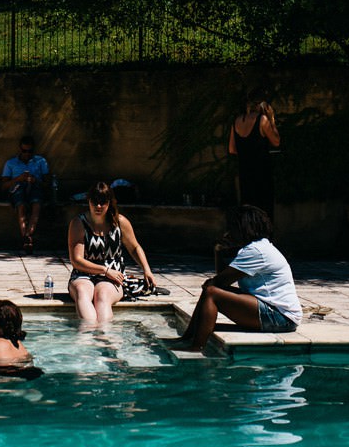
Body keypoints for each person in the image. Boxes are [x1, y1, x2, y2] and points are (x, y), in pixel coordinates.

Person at [175, 205, 301, 352]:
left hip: (280, 317)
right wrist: (219, 251)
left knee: (211, 293)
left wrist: (210, 284)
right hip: (277, 314)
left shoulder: (255, 251)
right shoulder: (258, 247)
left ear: (244, 228)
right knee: (211, 292)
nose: (229, 232)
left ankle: (196, 347)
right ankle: (187, 339)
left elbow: (219, 282)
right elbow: (222, 281)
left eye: (233, 227)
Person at [66, 181, 157, 324]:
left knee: (102, 296)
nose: (98, 206)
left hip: (113, 276)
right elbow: (76, 260)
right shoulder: (79, 223)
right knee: (83, 293)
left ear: (110, 203)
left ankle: (105, 337)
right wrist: (104, 270)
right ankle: (87, 336)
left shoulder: (119, 222)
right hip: (83, 273)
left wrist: (147, 269)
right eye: (94, 202)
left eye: (103, 202)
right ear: (88, 201)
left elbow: (134, 248)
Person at [229, 88, 282, 216]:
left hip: (245, 174)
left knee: (248, 211)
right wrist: (272, 120)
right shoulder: (263, 120)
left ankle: (249, 235)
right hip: (262, 173)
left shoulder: (236, 121)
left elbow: (232, 149)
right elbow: (276, 141)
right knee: (264, 211)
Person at [2, 134, 50, 251]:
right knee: (21, 206)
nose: (27, 154)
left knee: (36, 205)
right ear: (20, 149)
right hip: (18, 187)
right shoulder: (11, 163)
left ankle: (27, 237)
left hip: (35, 186)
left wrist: (35, 180)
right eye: (24, 151)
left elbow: (47, 184)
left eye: (30, 151)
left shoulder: (41, 161)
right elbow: (4, 186)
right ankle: (26, 237)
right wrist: (18, 179)